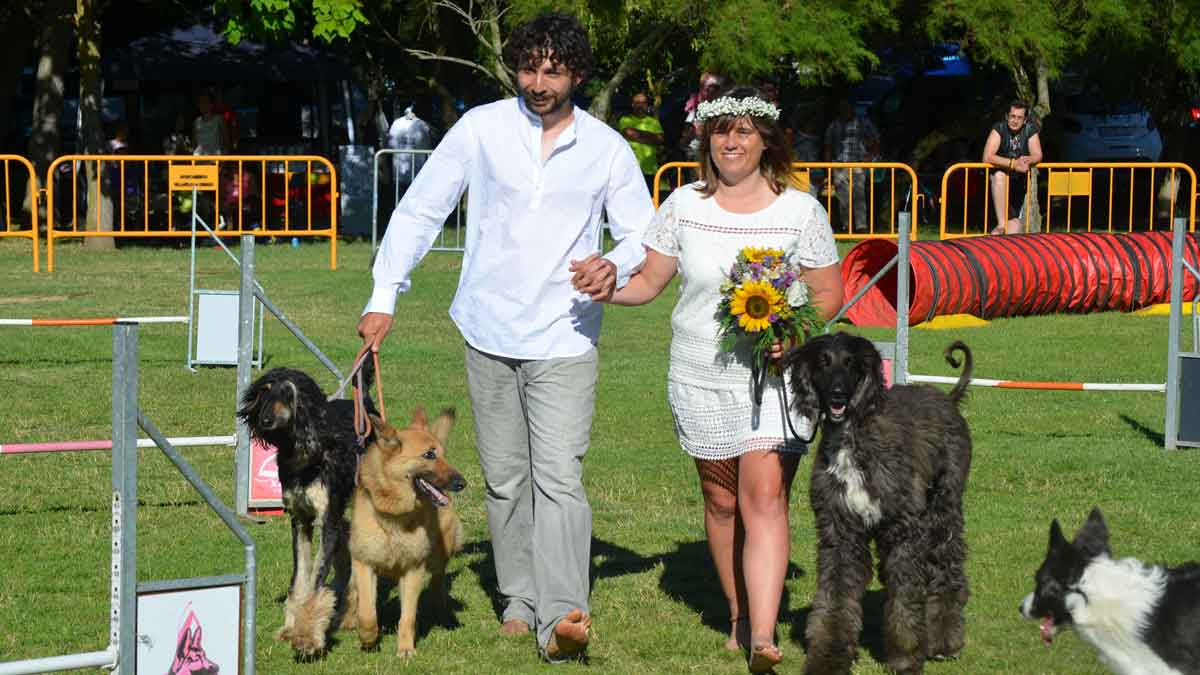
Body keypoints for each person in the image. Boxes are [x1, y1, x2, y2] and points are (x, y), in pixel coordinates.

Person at [356, 12, 654, 663]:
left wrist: (615, 263)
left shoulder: (606, 147)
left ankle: (562, 613)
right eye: (528, 68)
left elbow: (641, 232)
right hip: (488, 330)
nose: (538, 82)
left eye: (553, 70)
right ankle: (519, 598)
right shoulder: (481, 129)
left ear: (576, 72)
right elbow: (423, 208)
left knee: (559, 478)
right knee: (506, 481)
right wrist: (384, 295)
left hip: (567, 337)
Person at [578, 84, 842, 673]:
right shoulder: (682, 206)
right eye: (722, 130)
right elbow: (649, 282)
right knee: (722, 502)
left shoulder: (800, 211)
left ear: (766, 141)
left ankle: (765, 637)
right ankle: (738, 614)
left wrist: (795, 333)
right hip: (701, 372)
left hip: (778, 377)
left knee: (765, 498)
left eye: (745, 130)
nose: (731, 141)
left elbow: (828, 292)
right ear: (706, 139)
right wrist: (607, 290)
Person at [983, 100, 1042, 234]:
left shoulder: (1030, 130)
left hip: (1018, 187)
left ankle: (999, 247)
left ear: (1025, 120)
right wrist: (1013, 164)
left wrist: (1028, 159)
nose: (1015, 121)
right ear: (1006, 116)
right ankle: (1001, 224)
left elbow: (1038, 154)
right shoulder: (999, 128)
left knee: (1014, 228)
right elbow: (987, 156)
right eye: (1012, 116)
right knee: (999, 175)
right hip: (996, 187)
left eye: (1019, 117)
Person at [824, 99, 880, 232]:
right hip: (839, 165)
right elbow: (828, 146)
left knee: (859, 195)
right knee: (843, 197)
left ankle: (861, 227)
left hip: (858, 164)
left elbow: (877, 140)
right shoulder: (834, 125)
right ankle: (846, 226)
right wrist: (828, 168)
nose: (844, 110)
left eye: (846, 107)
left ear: (852, 109)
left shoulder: (864, 122)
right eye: (841, 108)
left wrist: (870, 157)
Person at [618, 92, 665, 197]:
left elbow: (660, 139)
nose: (640, 105)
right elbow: (630, 133)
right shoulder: (625, 119)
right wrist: (651, 137)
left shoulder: (654, 122)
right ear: (632, 105)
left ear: (647, 105)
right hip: (630, 170)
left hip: (650, 170)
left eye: (643, 103)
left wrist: (638, 134)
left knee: (650, 202)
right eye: (637, 103)